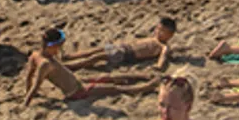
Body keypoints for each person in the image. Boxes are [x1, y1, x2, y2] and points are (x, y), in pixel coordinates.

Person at [24, 29, 161, 105]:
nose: (59, 50)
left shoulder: (35, 55)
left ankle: (142, 76)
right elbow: (36, 85)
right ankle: (146, 86)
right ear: (52, 46)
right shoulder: (45, 64)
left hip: (77, 81)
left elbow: (29, 76)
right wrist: (27, 102)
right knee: (114, 88)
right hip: (77, 92)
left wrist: (27, 90)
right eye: (59, 47)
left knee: (109, 77)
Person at [63, 18, 178, 72]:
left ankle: (73, 66)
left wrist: (159, 66)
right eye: (158, 29)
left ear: (170, 35)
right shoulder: (154, 38)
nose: (158, 32)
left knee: (99, 56)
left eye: (163, 31)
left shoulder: (163, 46)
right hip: (123, 47)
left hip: (127, 54)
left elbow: (163, 56)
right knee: (97, 49)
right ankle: (71, 56)